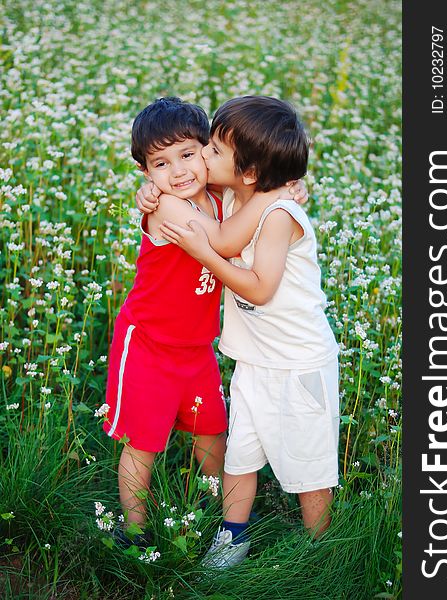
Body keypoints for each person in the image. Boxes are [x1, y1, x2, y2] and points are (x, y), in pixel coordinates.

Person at [105, 97, 306, 548]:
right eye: (160, 163)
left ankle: (220, 510)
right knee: (144, 442)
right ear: (146, 174)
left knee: (212, 431)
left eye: (188, 154)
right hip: (148, 345)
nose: (176, 172)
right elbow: (221, 240)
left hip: (196, 346)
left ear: (209, 152)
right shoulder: (168, 209)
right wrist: (274, 195)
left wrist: (287, 189)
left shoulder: (221, 198)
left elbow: (248, 201)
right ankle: (133, 528)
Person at [155, 96, 340, 568]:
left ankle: (321, 550)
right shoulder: (242, 197)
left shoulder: (279, 215)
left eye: (213, 150)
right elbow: (222, 233)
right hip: (255, 359)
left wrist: (206, 255)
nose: (203, 156)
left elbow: (258, 289)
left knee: (307, 466)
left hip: (299, 364)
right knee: (241, 454)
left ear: (250, 172)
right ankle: (233, 536)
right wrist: (148, 190)